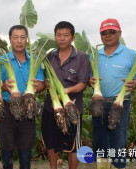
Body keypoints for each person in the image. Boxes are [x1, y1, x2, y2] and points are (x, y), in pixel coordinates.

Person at [89, 18, 136, 169]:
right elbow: (89, 78)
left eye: (112, 32)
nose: (107, 35)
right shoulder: (94, 55)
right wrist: (91, 81)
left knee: (118, 140)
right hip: (98, 102)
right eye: (104, 33)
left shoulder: (131, 54)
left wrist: (134, 84)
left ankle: (118, 166)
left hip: (120, 103)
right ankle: (103, 167)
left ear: (119, 33)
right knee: (99, 141)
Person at [41, 21, 90, 169]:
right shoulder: (49, 57)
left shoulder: (82, 57)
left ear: (73, 37)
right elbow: (44, 80)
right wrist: (47, 84)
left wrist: (66, 92)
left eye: (66, 35)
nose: (62, 38)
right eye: (59, 35)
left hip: (72, 108)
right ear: (55, 36)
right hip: (51, 107)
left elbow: (83, 83)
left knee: (73, 146)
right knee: (51, 142)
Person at [0, 25, 45, 169]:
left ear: (27, 40)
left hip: (28, 106)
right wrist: (4, 86)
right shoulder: (2, 60)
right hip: (6, 107)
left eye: (22, 37)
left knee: (26, 144)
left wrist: (38, 86)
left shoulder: (35, 60)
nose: (19, 41)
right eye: (15, 37)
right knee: (6, 144)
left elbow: (41, 85)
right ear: (10, 39)